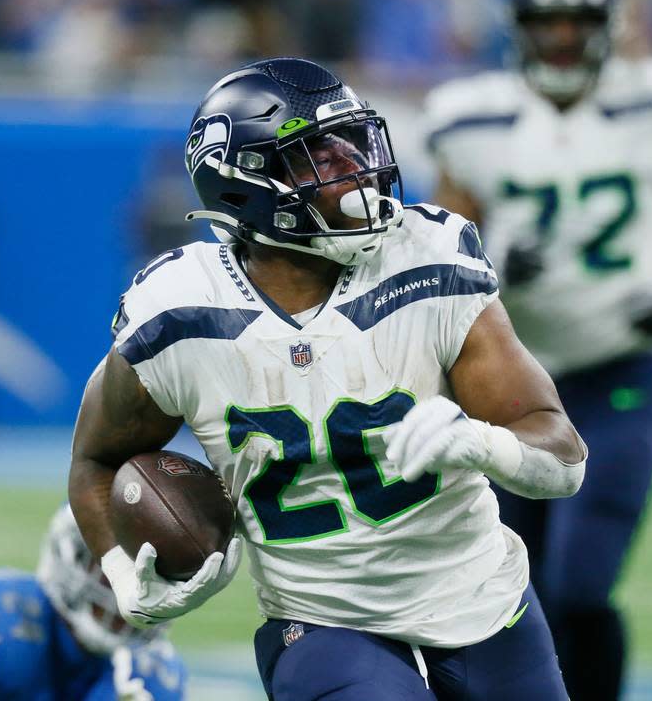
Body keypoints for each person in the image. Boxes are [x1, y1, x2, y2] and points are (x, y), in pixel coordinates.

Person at [67, 57, 588, 701]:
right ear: (248, 186)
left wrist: (483, 444)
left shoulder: (427, 258)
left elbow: (563, 456)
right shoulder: (178, 314)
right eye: (318, 152)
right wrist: (123, 573)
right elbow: (95, 459)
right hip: (321, 620)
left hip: (477, 595)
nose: (353, 165)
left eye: (351, 141)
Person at [422, 0, 652, 698]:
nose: (563, 38)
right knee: (512, 588)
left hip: (620, 370)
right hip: (506, 378)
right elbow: (437, 251)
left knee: (580, 586)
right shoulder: (472, 118)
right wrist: (497, 256)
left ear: (609, 23)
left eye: (577, 20)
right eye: (547, 21)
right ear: (517, 26)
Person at [0, 505, 185, 700]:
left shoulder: (153, 678)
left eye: (148, 569)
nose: (124, 583)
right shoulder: (3, 617)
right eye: (107, 567)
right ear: (75, 557)